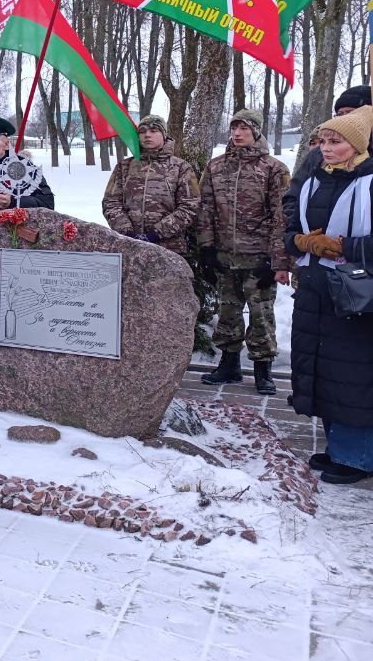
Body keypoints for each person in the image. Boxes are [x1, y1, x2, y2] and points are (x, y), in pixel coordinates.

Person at [286, 105, 373, 484]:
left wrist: (343, 247)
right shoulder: (313, 182)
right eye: (322, 140)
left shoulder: (369, 183)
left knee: (352, 376)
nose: (326, 147)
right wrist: (301, 241)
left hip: (355, 296)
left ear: (357, 145)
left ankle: (359, 458)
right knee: (324, 372)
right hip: (315, 291)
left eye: (335, 141)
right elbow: (291, 228)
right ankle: (339, 448)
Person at [196, 109, 290, 394]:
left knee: (261, 316)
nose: (237, 134)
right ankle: (229, 365)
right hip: (225, 256)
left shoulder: (274, 169)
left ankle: (263, 370)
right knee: (228, 313)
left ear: (256, 131)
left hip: (258, 258)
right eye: (233, 128)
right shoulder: (216, 167)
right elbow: (205, 209)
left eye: (244, 129)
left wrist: (275, 260)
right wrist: (207, 249)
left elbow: (282, 217)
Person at [100, 115, 200, 252]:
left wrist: (155, 234)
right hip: (129, 246)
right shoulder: (124, 167)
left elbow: (190, 206)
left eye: (153, 130)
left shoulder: (181, 167)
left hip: (169, 248)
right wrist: (127, 233)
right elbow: (110, 202)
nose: (147, 135)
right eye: (142, 131)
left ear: (164, 134)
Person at [285, 85, 371, 226]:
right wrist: (298, 229)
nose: (344, 118)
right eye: (339, 114)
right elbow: (294, 195)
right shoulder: (317, 155)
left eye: (350, 113)